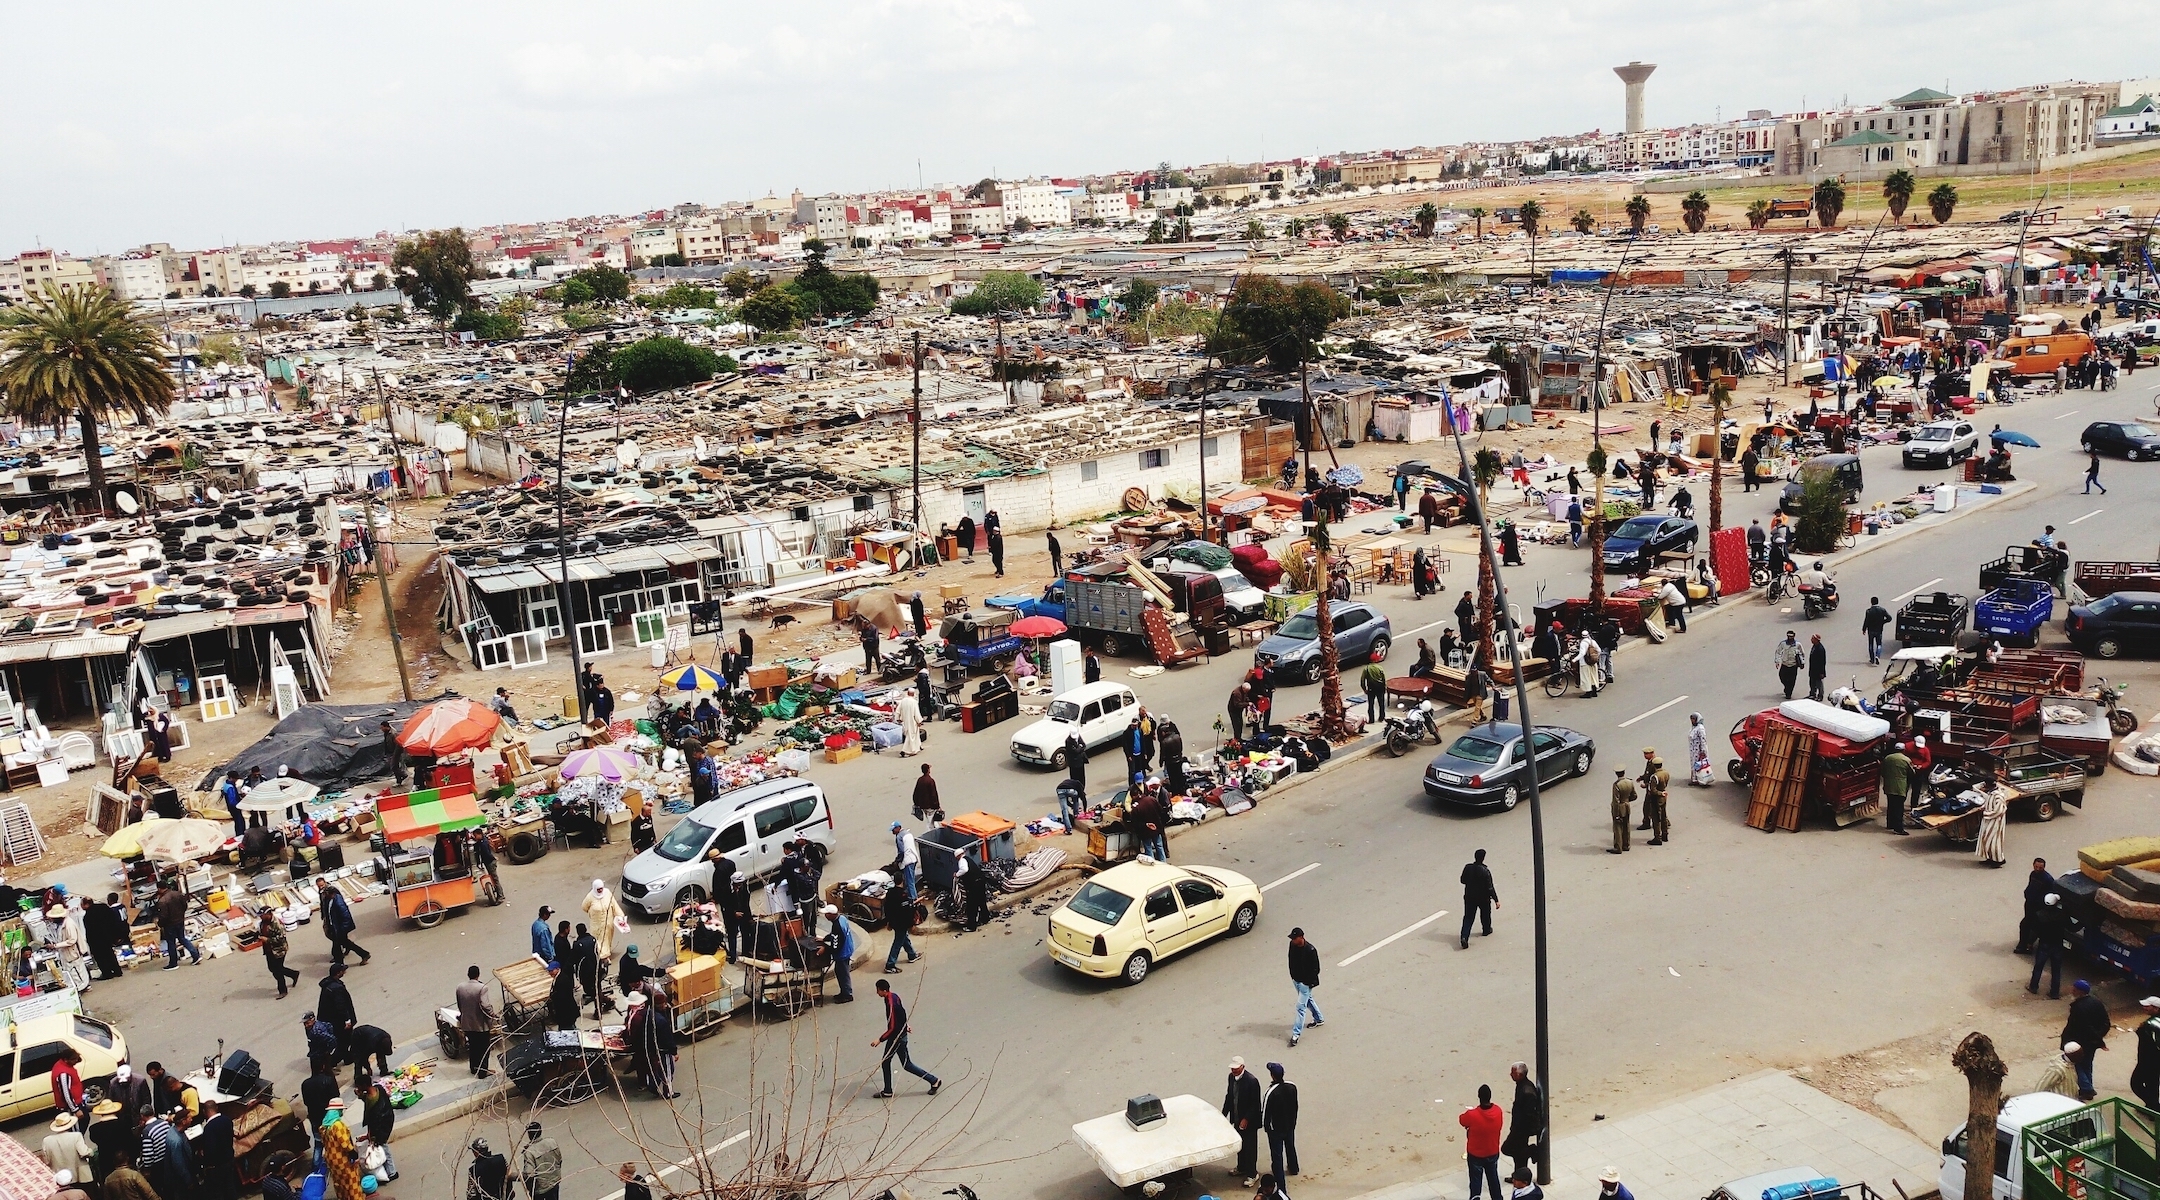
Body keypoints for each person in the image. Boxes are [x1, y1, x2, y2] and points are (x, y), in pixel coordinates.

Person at [871, 978, 941, 1098]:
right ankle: (888, 1089)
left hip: (896, 1038)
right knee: (891, 1062)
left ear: (883, 990)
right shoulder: (894, 996)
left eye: (878, 990)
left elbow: (892, 1027)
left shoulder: (890, 1003)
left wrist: (880, 1039)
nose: (877, 993)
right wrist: (905, 1025)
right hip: (899, 1035)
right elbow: (902, 1013)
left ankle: (933, 1080)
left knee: (905, 1064)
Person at [2065, 979, 2110, 1099]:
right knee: (2087, 1065)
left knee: (2076, 1064)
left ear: (2079, 991)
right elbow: (2106, 1022)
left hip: (2080, 1042)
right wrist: (2099, 1038)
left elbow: (2083, 1027)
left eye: (2074, 989)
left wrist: (2096, 1037)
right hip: (2092, 1043)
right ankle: (2087, 1088)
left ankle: (2087, 1089)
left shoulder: (2078, 1007)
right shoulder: (2096, 1002)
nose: (2072, 990)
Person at [1459, 1083, 1506, 1200]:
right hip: (1492, 1151)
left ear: (1479, 1096)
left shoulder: (1472, 1115)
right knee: (1493, 1179)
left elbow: (1462, 1120)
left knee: (1475, 1182)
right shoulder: (1498, 1111)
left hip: (1476, 1154)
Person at [1223, 1056, 1263, 1185]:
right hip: (1236, 1118)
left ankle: (1252, 1174)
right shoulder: (1231, 1078)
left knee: (1249, 1147)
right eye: (1232, 1068)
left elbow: (1255, 1104)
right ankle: (1241, 1167)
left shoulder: (1252, 1081)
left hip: (1249, 1122)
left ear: (1242, 1067)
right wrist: (1224, 1114)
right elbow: (1229, 1096)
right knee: (1239, 1145)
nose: (1233, 1071)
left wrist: (1246, 1119)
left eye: (1236, 1068)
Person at [456, 964, 499, 1077]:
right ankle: (483, 1072)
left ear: (468, 975)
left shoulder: (460, 987)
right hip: (480, 1024)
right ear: (478, 975)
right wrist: (493, 1015)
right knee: (484, 1048)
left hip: (467, 1023)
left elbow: (460, 1005)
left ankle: (474, 1068)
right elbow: (485, 1005)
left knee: (473, 1046)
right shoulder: (482, 988)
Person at [1503, 1062, 1543, 1182]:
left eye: (1513, 1072)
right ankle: (1518, 1176)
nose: (1511, 1074)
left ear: (1520, 1075)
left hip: (1521, 1129)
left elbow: (1529, 1114)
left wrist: (1520, 1129)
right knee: (1519, 1155)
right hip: (1518, 1127)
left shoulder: (1527, 1091)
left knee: (1508, 1149)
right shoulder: (1521, 1085)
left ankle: (1532, 1150)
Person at [318, 877, 369, 967]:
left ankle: (340, 965)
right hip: (334, 926)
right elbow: (326, 909)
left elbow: (345, 916)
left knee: (337, 947)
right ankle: (363, 954)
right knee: (345, 943)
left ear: (331, 894)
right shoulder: (328, 899)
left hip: (340, 928)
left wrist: (342, 929)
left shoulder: (337, 901)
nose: (324, 894)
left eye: (325, 893)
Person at [195, 1099, 239, 1200]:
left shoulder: (209, 1128)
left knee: (218, 1191)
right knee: (230, 1186)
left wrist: (203, 1156)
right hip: (229, 1159)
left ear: (204, 1112)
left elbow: (211, 1150)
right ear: (217, 1108)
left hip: (217, 1166)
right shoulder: (227, 1120)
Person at [1287, 927, 1324, 1047]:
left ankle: (1295, 1035)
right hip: (1296, 980)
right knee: (1308, 1000)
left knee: (1300, 1007)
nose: (1293, 940)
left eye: (1295, 938)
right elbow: (1290, 960)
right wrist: (1293, 976)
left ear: (1301, 937)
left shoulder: (1310, 950)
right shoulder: (1292, 945)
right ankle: (1319, 1019)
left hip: (1305, 983)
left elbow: (1316, 969)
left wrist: (1307, 983)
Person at [1262, 1062, 1299, 1181]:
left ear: (1272, 1076)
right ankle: (1294, 1168)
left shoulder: (1271, 1092)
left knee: (1277, 1155)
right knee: (1290, 1146)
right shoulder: (1291, 1086)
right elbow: (1295, 1106)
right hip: (1289, 1125)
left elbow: (1265, 1112)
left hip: (1276, 1129)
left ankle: (1279, 1177)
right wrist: (1293, 1122)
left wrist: (1266, 1127)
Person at [2029, 893, 2069, 999]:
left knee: (2038, 967)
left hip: (2044, 945)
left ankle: (2033, 987)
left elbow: (2034, 931)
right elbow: (2072, 927)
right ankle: (2054, 993)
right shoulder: (2062, 914)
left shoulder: (2039, 915)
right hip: (2057, 946)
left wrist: (2030, 942)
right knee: (2056, 970)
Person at [154, 879, 199, 970]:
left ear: (159, 889)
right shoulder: (177, 894)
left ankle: (173, 963)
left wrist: (160, 924)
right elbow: (184, 906)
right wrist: (181, 915)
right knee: (182, 938)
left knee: (171, 943)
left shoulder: (162, 901)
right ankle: (195, 955)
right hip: (179, 920)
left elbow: (163, 916)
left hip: (170, 924)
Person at [83, 893, 127, 981]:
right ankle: (117, 971)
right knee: (110, 954)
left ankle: (107, 973)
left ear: (86, 904)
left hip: (97, 940)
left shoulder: (88, 916)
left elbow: (90, 931)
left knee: (101, 957)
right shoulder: (104, 907)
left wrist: (90, 943)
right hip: (108, 937)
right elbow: (113, 920)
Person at [2019, 859, 2059, 953]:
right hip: (2029, 904)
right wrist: (2027, 894)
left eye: (2040, 867)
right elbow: (2030, 886)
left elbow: (2050, 894)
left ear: (2044, 867)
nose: (2037, 869)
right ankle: (2023, 943)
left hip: (2037, 907)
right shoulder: (2033, 874)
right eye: (2036, 867)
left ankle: (2027, 945)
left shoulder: (2048, 879)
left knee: (2030, 926)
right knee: (2026, 924)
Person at [1460, 849, 1497, 949]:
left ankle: (1464, 937)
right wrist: (1496, 900)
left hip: (1469, 897)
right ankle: (1486, 930)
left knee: (1468, 918)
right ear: (1483, 858)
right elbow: (1490, 887)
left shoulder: (1468, 868)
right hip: (1483, 898)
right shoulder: (1485, 871)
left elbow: (1462, 880)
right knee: (1485, 914)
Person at [43, 1113, 93, 1187]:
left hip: (59, 1176)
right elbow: (83, 1152)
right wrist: (91, 1151)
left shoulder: (47, 1140)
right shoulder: (76, 1136)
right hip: (79, 1174)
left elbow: (47, 1161)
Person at [521, 1121, 564, 1200]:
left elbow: (529, 1174)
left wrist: (530, 1188)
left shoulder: (529, 1152)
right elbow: (559, 1160)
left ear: (529, 1134)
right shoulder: (552, 1142)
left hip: (539, 1189)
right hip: (554, 1182)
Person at [883, 881, 920, 973]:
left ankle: (912, 955)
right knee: (898, 942)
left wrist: (889, 922)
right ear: (902, 881)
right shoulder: (903, 895)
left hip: (894, 922)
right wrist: (911, 924)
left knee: (904, 938)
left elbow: (887, 909)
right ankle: (890, 964)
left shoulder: (890, 893)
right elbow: (906, 912)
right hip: (901, 923)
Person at [824, 904, 856, 1003]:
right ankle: (844, 992)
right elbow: (834, 936)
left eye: (826, 914)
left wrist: (825, 949)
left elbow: (836, 945)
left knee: (843, 973)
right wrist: (825, 939)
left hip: (843, 953)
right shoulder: (841, 918)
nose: (825, 916)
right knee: (840, 972)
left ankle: (847, 995)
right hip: (847, 949)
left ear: (831, 914)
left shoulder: (837, 926)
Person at [584, 880, 622, 962]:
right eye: (598, 889)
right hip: (597, 924)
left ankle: (606, 954)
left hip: (608, 923)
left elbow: (614, 906)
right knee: (599, 941)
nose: (600, 891)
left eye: (601, 888)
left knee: (607, 940)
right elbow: (584, 907)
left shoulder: (607, 893)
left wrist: (621, 917)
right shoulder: (590, 897)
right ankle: (603, 957)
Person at [1880, 743, 1912, 836]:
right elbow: (1911, 773)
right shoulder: (1906, 760)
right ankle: (1898, 828)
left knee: (1891, 805)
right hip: (1900, 787)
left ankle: (1890, 824)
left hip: (1889, 786)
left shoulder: (1887, 758)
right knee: (1899, 808)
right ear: (1903, 750)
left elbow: (1882, 772)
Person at [1640, 749, 1670, 845]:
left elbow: (1653, 790)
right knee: (1663, 815)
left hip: (1656, 798)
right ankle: (1665, 834)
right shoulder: (1666, 773)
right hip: (1663, 797)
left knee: (1656, 818)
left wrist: (1658, 792)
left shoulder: (1655, 776)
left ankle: (1658, 837)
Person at [2135, 997, 2160, 1109]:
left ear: (2156, 1008)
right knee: (2152, 1085)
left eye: (2147, 1006)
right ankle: (2151, 1107)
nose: (2144, 1008)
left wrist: (2140, 1030)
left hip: (2149, 1060)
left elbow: (2153, 1043)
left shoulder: (2150, 1025)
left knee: (2135, 1083)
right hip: (2152, 1061)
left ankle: (2154, 1108)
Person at [1977, 783, 2010, 868]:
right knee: (1986, 839)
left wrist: (1986, 814)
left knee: (1994, 842)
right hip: (1988, 820)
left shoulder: (1998, 796)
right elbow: (1988, 802)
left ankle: (1998, 860)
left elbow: (1999, 811)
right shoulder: (1990, 793)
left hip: (1996, 821)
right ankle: (1990, 858)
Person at [958, 849, 991, 930]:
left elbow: (964, 870)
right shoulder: (969, 859)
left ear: (958, 856)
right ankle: (985, 919)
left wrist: (957, 874)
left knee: (971, 906)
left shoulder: (962, 860)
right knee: (982, 901)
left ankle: (971, 926)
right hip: (980, 881)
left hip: (973, 884)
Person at [1608, 768, 1634, 855]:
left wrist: (1616, 814)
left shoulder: (1616, 785)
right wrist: (1627, 800)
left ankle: (1618, 847)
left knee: (1618, 827)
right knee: (1626, 825)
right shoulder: (1630, 782)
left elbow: (1616, 801)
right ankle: (1626, 844)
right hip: (1627, 806)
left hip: (1620, 807)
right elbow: (1634, 796)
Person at [892, 822, 921, 901]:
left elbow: (901, 852)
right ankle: (910, 895)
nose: (892, 832)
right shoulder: (908, 834)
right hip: (914, 858)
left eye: (893, 830)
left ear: (898, 828)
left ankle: (913, 899)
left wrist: (897, 861)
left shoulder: (899, 837)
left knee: (909, 881)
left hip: (908, 861)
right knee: (910, 879)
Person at [1861, 596, 1891, 666]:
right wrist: (1883, 622)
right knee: (1879, 644)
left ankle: (1872, 659)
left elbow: (1866, 621)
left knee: (1871, 644)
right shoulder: (1882, 610)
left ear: (1871, 602)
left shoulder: (1868, 611)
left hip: (1871, 630)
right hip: (1879, 630)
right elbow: (1889, 618)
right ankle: (1877, 655)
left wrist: (1864, 629)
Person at [1774, 631, 1802, 700]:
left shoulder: (1798, 645)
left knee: (1792, 680)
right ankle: (1787, 687)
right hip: (1785, 664)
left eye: (1791, 636)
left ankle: (1789, 693)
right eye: (1788, 636)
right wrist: (1777, 661)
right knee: (1782, 677)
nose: (1790, 638)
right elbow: (1778, 652)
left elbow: (1802, 654)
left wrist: (1802, 663)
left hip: (1793, 665)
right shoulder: (1783, 644)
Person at [378, 721, 406, 786]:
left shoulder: (393, 734)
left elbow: (398, 745)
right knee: (394, 767)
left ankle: (403, 775)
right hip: (390, 752)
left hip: (395, 752)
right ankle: (399, 780)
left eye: (382, 727)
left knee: (393, 767)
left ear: (386, 727)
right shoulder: (386, 733)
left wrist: (395, 754)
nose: (381, 729)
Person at [1806, 633, 1828, 702]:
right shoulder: (1814, 646)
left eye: (1813, 638)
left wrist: (1822, 672)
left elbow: (1822, 662)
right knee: (1812, 683)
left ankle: (1820, 696)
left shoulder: (1820, 649)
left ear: (1816, 640)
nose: (1811, 640)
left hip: (1818, 671)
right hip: (1813, 669)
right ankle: (1812, 694)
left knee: (1819, 684)